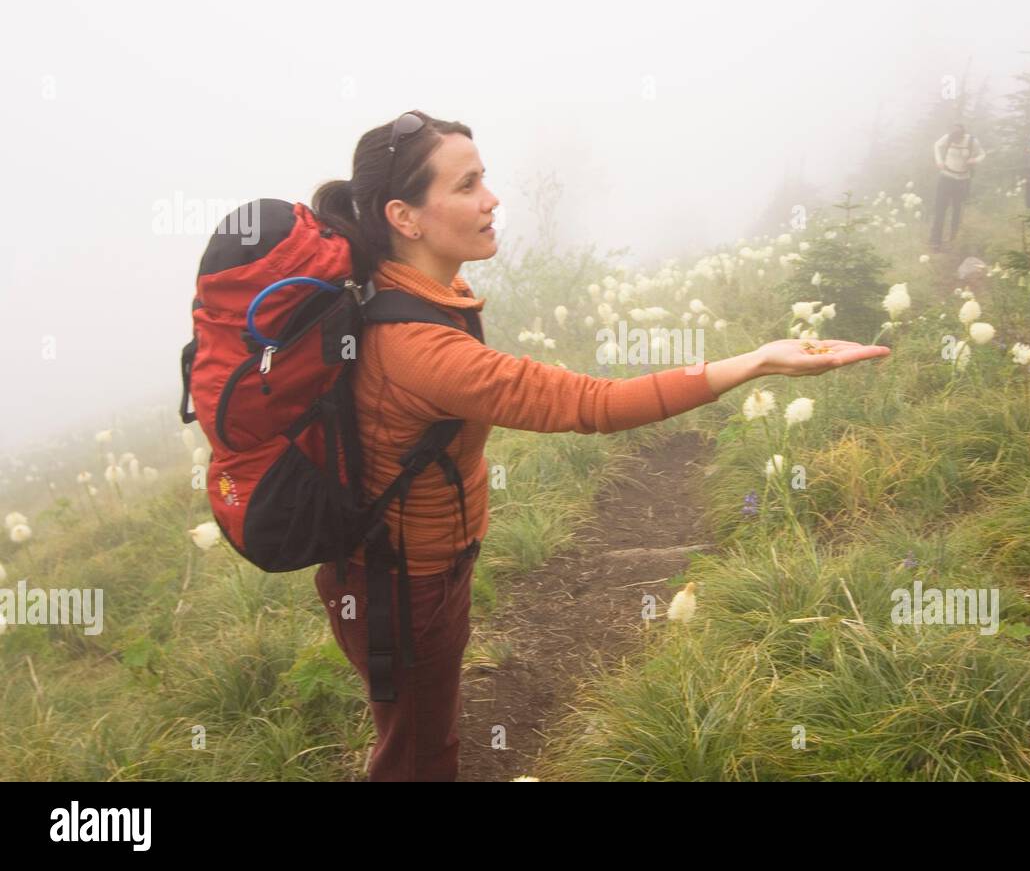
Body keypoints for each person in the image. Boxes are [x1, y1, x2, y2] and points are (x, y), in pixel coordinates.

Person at [308, 110, 892, 781]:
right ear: (404, 217)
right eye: (466, 185)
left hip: (414, 569)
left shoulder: (428, 293)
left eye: (485, 178)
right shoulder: (418, 346)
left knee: (424, 734)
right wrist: (755, 362)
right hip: (401, 584)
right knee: (418, 757)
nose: (492, 198)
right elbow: (590, 404)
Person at [929, 123, 986, 250]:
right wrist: (939, 161)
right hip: (946, 177)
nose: (954, 140)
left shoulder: (972, 141)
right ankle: (935, 241)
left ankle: (954, 240)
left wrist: (974, 160)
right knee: (940, 209)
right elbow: (937, 145)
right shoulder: (948, 138)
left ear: (962, 134)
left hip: (963, 180)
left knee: (957, 210)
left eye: (957, 138)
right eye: (953, 138)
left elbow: (982, 154)